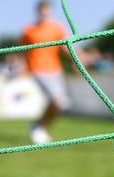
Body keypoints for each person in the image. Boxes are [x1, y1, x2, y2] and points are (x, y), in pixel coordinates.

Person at [21, 0, 70, 144]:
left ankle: (41, 126)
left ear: (50, 11)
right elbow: (21, 50)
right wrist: (21, 66)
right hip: (37, 69)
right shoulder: (29, 30)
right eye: (41, 9)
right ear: (38, 11)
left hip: (55, 68)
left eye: (46, 9)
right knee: (56, 100)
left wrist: (77, 60)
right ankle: (40, 128)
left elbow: (65, 47)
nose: (44, 12)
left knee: (61, 103)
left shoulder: (57, 27)